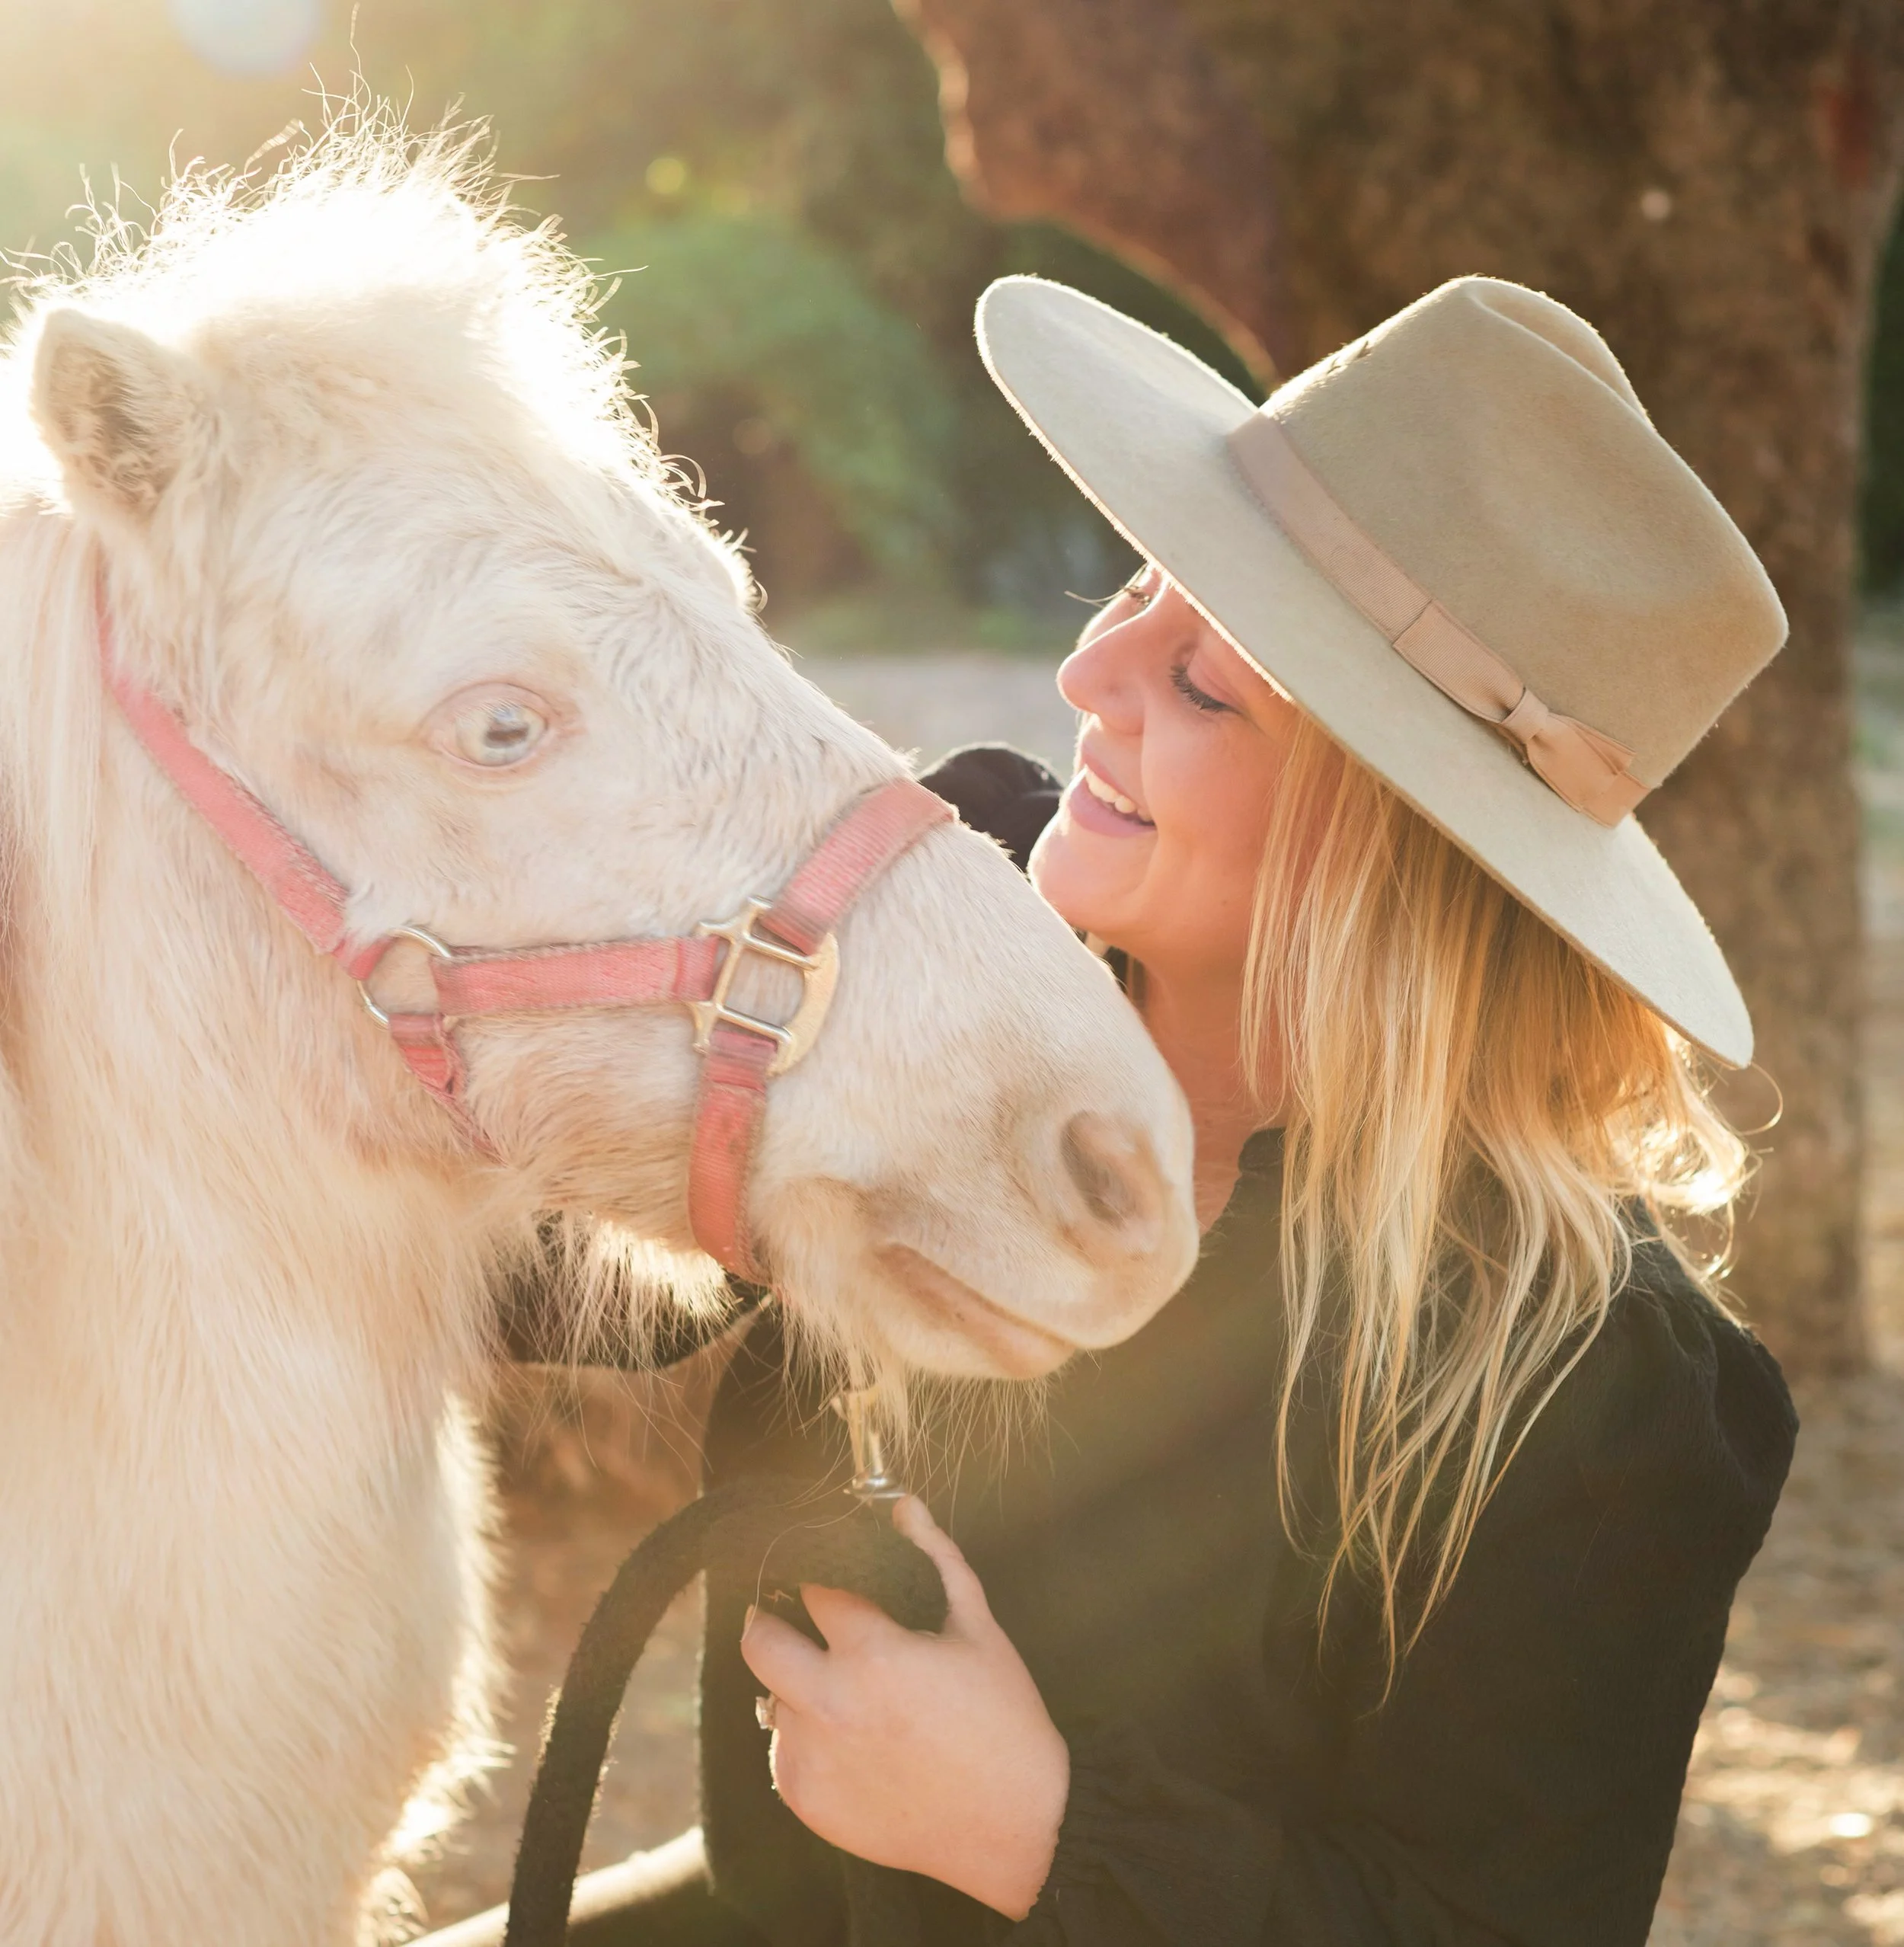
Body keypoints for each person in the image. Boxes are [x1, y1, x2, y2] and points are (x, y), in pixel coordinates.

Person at [510, 275, 1799, 1947]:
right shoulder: (943, 957)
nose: (1089, 667)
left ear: (1388, 855)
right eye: (1135, 590)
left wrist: (1036, 1832)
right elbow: (530, 1261)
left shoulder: (1583, 1396)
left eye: (1207, 686)